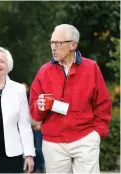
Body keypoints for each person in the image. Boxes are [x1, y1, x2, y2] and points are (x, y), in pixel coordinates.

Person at [29, 24, 112, 173]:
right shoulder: (44, 71)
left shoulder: (91, 68)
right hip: (53, 143)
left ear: (73, 44)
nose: (53, 47)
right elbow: (34, 112)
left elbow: (103, 104)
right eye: (52, 42)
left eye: (58, 43)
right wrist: (39, 106)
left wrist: (97, 134)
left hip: (85, 138)